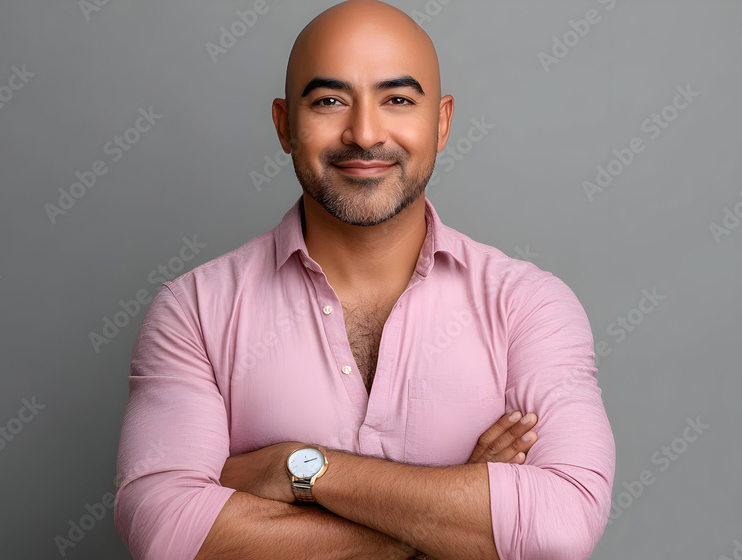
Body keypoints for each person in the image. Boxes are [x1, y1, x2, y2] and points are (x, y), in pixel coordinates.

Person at [114, 1, 615, 558]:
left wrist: (301, 468)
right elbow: (165, 532)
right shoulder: (195, 311)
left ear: (442, 123)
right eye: (329, 101)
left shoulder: (530, 306)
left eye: (397, 100)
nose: (364, 133)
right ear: (284, 125)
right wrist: (452, 522)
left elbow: (559, 529)